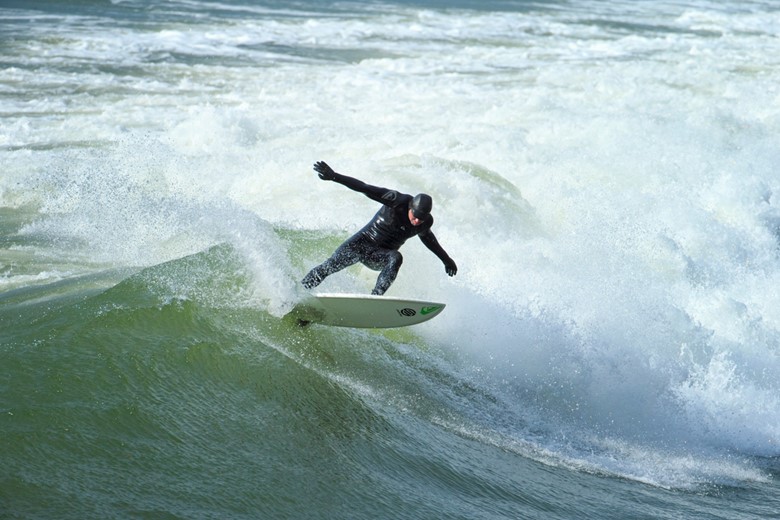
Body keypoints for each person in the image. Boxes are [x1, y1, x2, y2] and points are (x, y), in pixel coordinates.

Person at [302, 161, 457, 295]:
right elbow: (365, 188)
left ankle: (376, 298)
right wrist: (334, 176)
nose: (416, 221)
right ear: (410, 206)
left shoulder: (425, 222)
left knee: (396, 257)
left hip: (379, 256)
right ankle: (301, 292)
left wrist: (446, 260)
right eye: (415, 216)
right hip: (362, 243)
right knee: (328, 267)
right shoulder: (397, 200)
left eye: (421, 219)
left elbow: (429, 240)